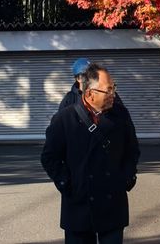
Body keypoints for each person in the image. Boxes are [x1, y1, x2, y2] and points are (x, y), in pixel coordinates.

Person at [41, 62, 140, 244]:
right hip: (78, 204)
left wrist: (127, 177)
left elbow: (132, 149)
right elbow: (49, 157)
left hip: (112, 203)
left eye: (114, 88)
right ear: (89, 93)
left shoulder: (121, 114)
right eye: (108, 90)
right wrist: (67, 183)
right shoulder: (65, 118)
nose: (113, 94)